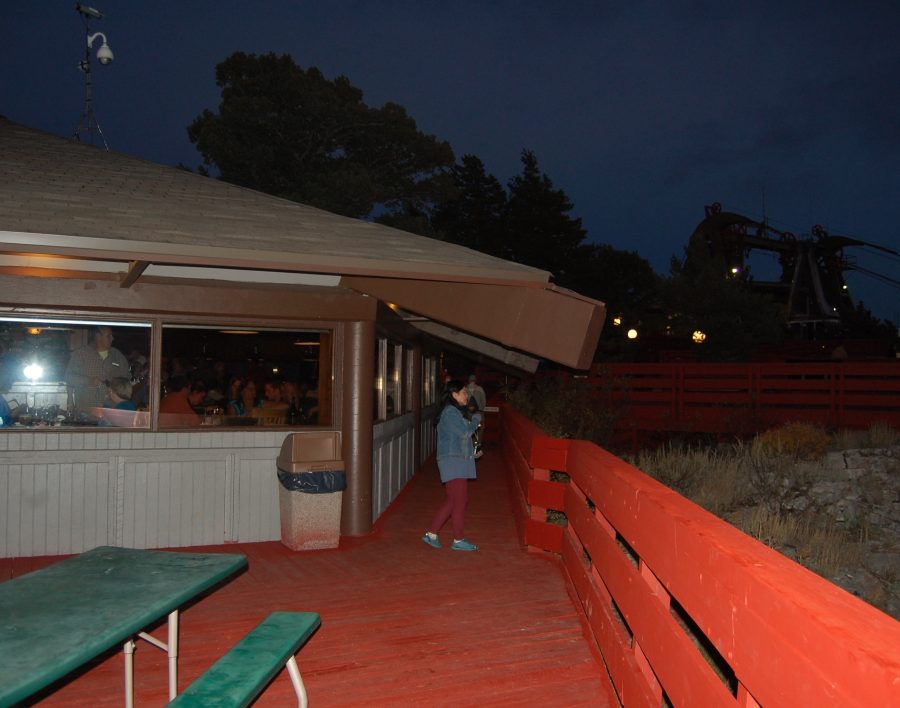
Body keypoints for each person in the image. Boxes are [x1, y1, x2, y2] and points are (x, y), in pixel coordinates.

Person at [422, 380, 483, 552]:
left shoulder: (453, 412)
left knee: (454, 500)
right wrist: (476, 420)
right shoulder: (450, 412)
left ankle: (432, 534)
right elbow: (464, 433)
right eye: (464, 392)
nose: (467, 395)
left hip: (455, 461)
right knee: (459, 500)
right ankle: (458, 538)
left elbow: (458, 441)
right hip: (453, 462)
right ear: (454, 394)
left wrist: (472, 454)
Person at [65, 326, 130, 415]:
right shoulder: (81, 354)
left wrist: (117, 383)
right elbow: (69, 377)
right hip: (86, 412)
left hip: (112, 414)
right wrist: (88, 380)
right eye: (108, 336)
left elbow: (127, 383)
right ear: (98, 336)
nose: (112, 338)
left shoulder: (118, 356)